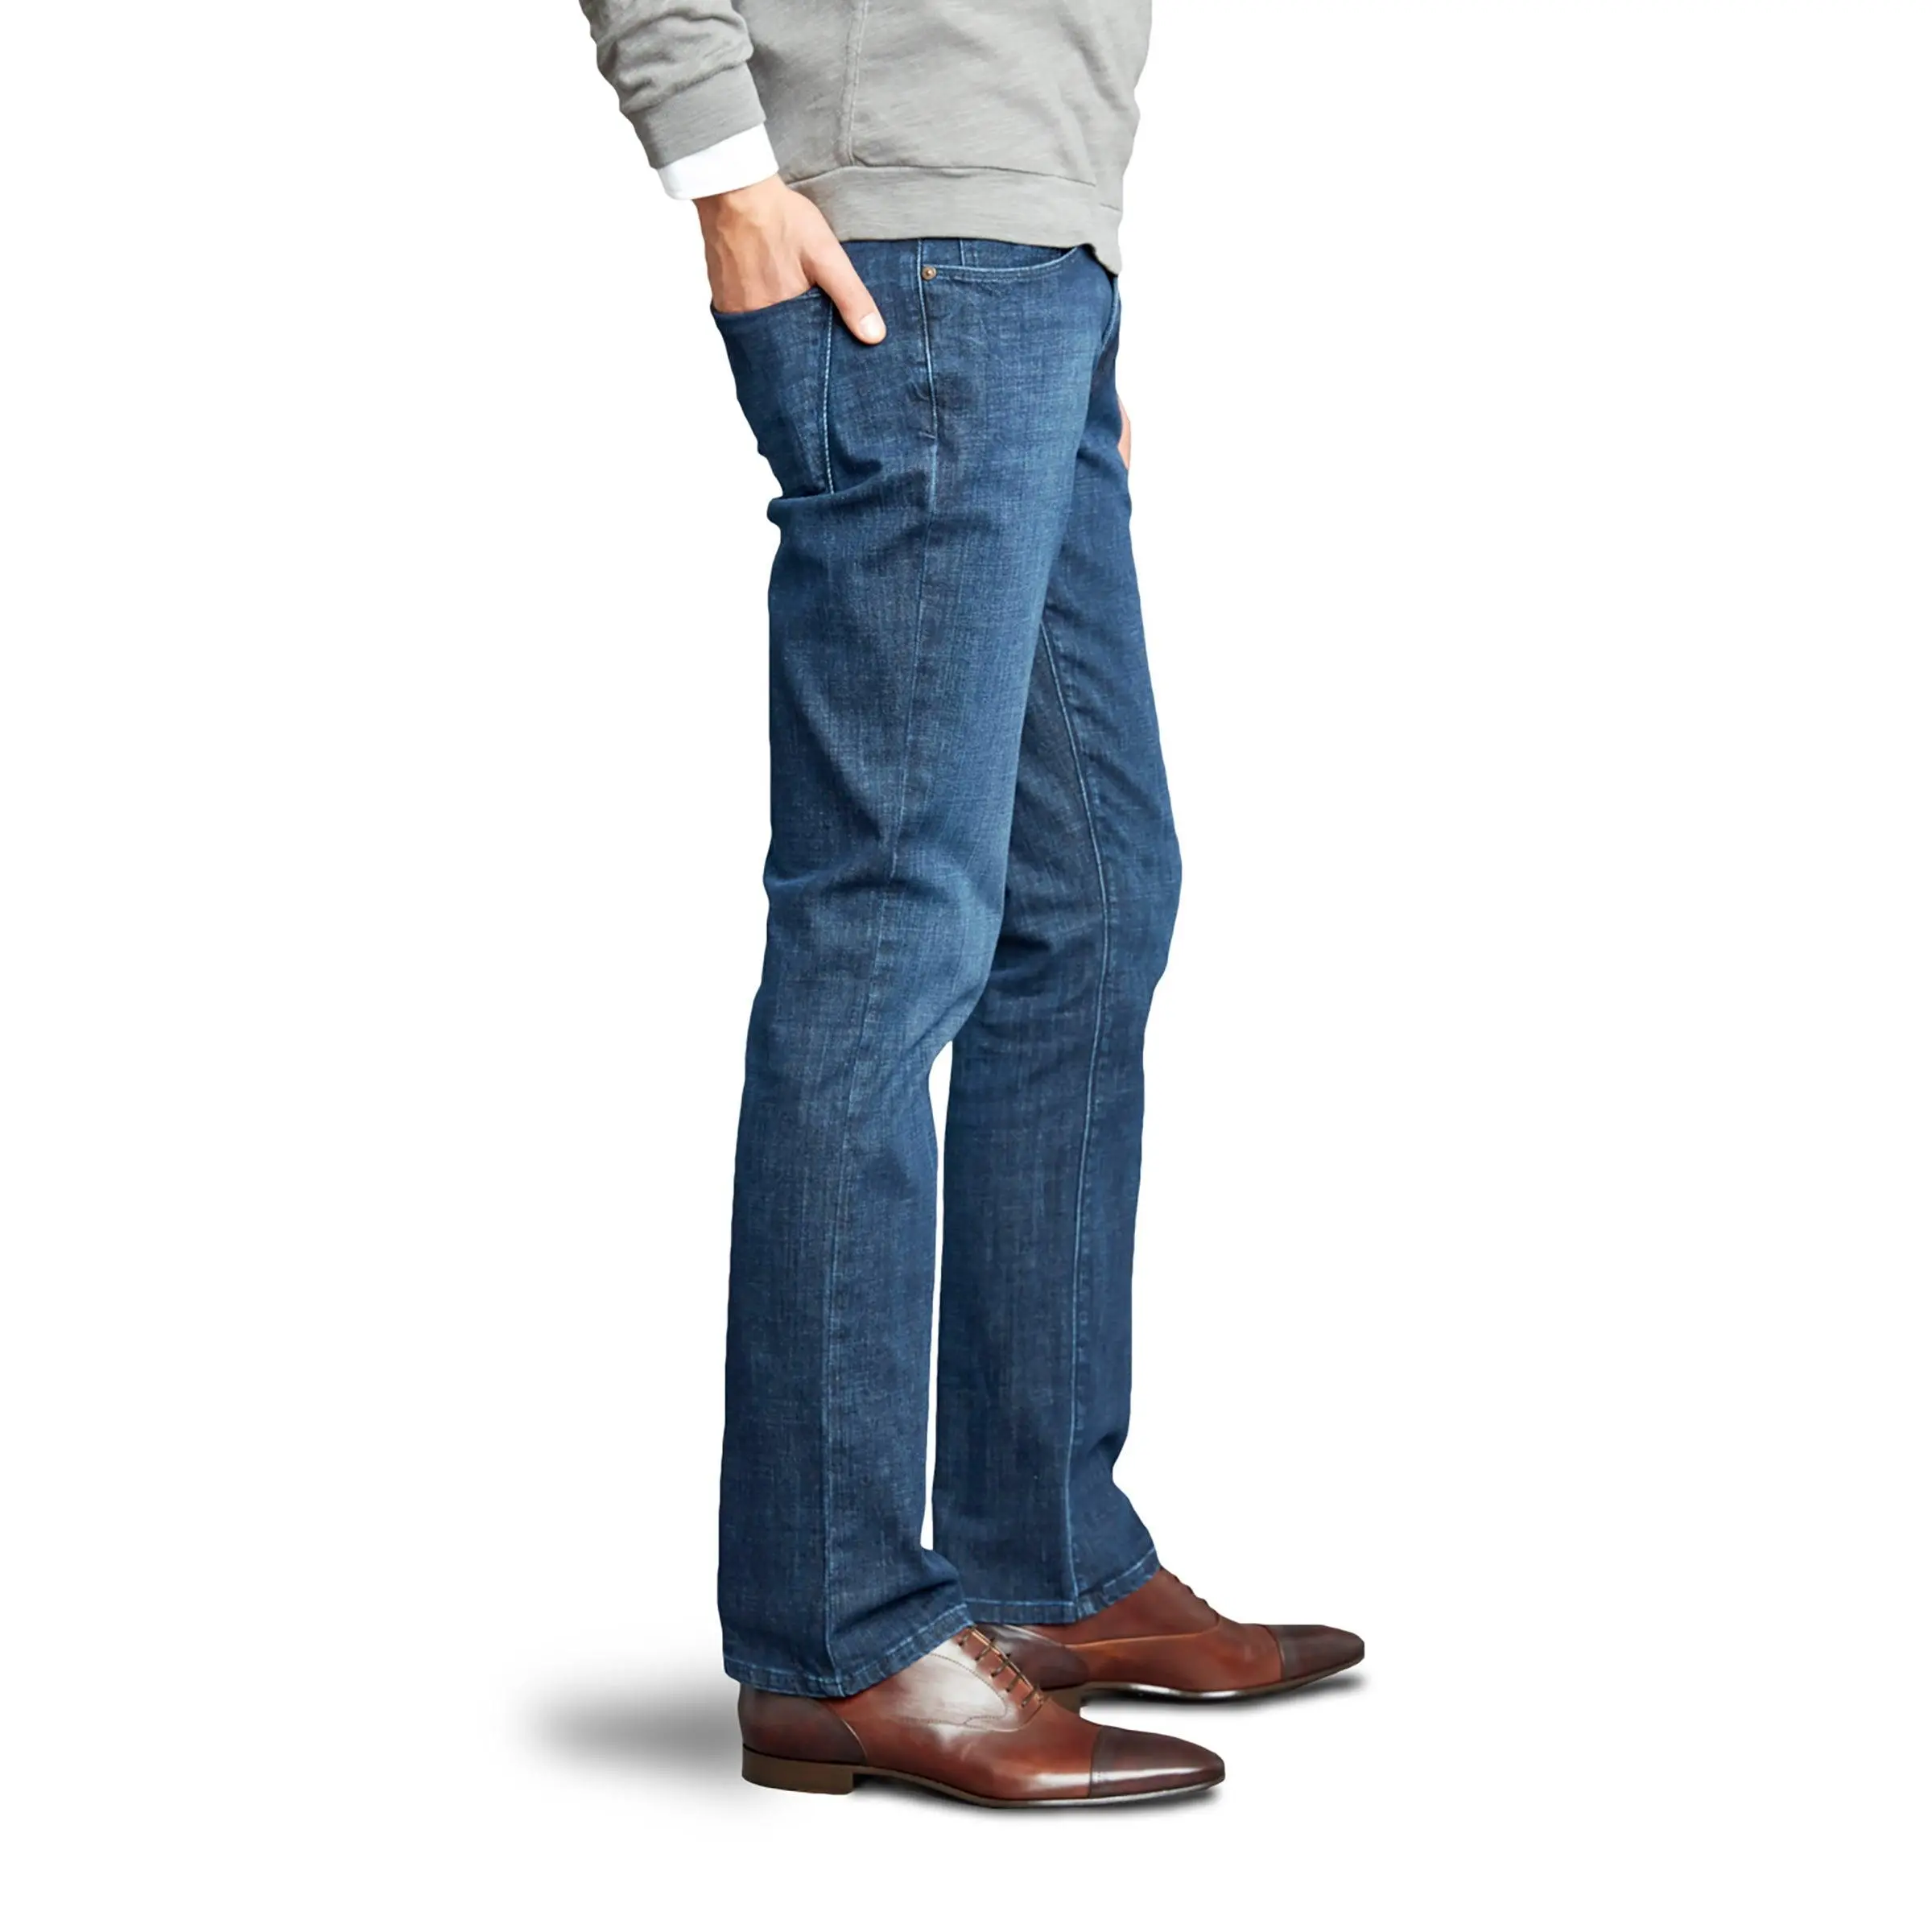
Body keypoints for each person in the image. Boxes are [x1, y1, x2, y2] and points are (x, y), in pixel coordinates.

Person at [576, 0, 1363, 1807]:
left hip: (1030, 260)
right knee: (887, 929)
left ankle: (1042, 1555)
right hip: (906, 255)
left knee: (1092, 899)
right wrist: (723, 171)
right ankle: (838, 1634)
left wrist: (1068, 285)